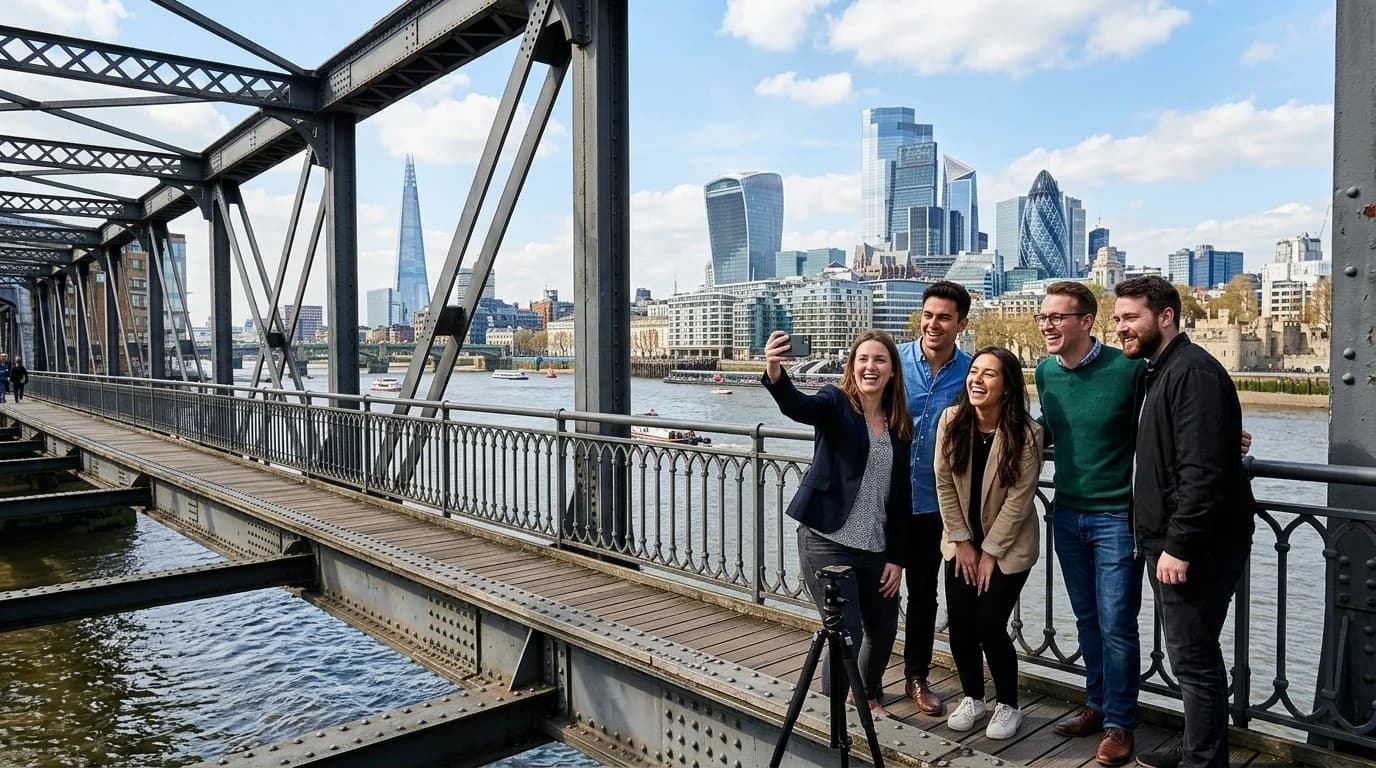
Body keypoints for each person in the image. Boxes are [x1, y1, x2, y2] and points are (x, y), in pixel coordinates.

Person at [1113, 276, 1254, 768]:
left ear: (1166, 316)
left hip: (1195, 548)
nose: (1121, 328)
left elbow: (1203, 472)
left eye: (1131, 318)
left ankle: (1203, 762)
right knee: (1193, 655)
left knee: (1193, 662)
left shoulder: (1191, 373)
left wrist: (1180, 545)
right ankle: (1199, 749)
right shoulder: (1158, 371)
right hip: (1173, 542)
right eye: (1118, 319)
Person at [763, 328, 913, 717]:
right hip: (827, 538)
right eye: (863, 359)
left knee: (882, 633)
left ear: (892, 370)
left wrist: (897, 557)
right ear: (852, 366)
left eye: (880, 360)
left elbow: (900, 501)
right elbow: (799, 407)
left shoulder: (899, 426)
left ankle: (868, 697)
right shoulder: (835, 401)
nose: (870, 366)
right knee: (844, 634)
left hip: (876, 547)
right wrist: (776, 372)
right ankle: (838, 716)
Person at [1034, 282, 1144, 765]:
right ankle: (1096, 705)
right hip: (1067, 511)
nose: (1047, 325)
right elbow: (1046, 431)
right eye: (1043, 317)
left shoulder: (1128, 369)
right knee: (1086, 618)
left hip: (1117, 515)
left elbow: (1172, 415)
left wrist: (1226, 434)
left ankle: (1121, 724)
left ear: (1086, 322)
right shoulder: (1043, 373)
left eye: (1057, 317)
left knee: (1117, 622)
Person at [935, 346, 1043, 740]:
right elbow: (944, 483)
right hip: (960, 540)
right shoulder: (951, 421)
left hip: (1009, 546)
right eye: (974, 371)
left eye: (989, 374)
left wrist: (990, 553)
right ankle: (973, 697)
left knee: (990, 623)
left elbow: (1019, 499)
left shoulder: (1027, 433)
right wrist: (963, 542)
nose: (977, 380)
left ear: (1008, 386)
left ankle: (1008, 705)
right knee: (961, 624)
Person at [896, 280, 973, 716]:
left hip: (936, 505)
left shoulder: (970, 371)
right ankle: (865, 677)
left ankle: (916, 678)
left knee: (924, 596)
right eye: (928, 315)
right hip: (887, 499)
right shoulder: (896, 360)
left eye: (944, 317)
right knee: (878, 593)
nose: (933, 324)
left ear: (960, 323)